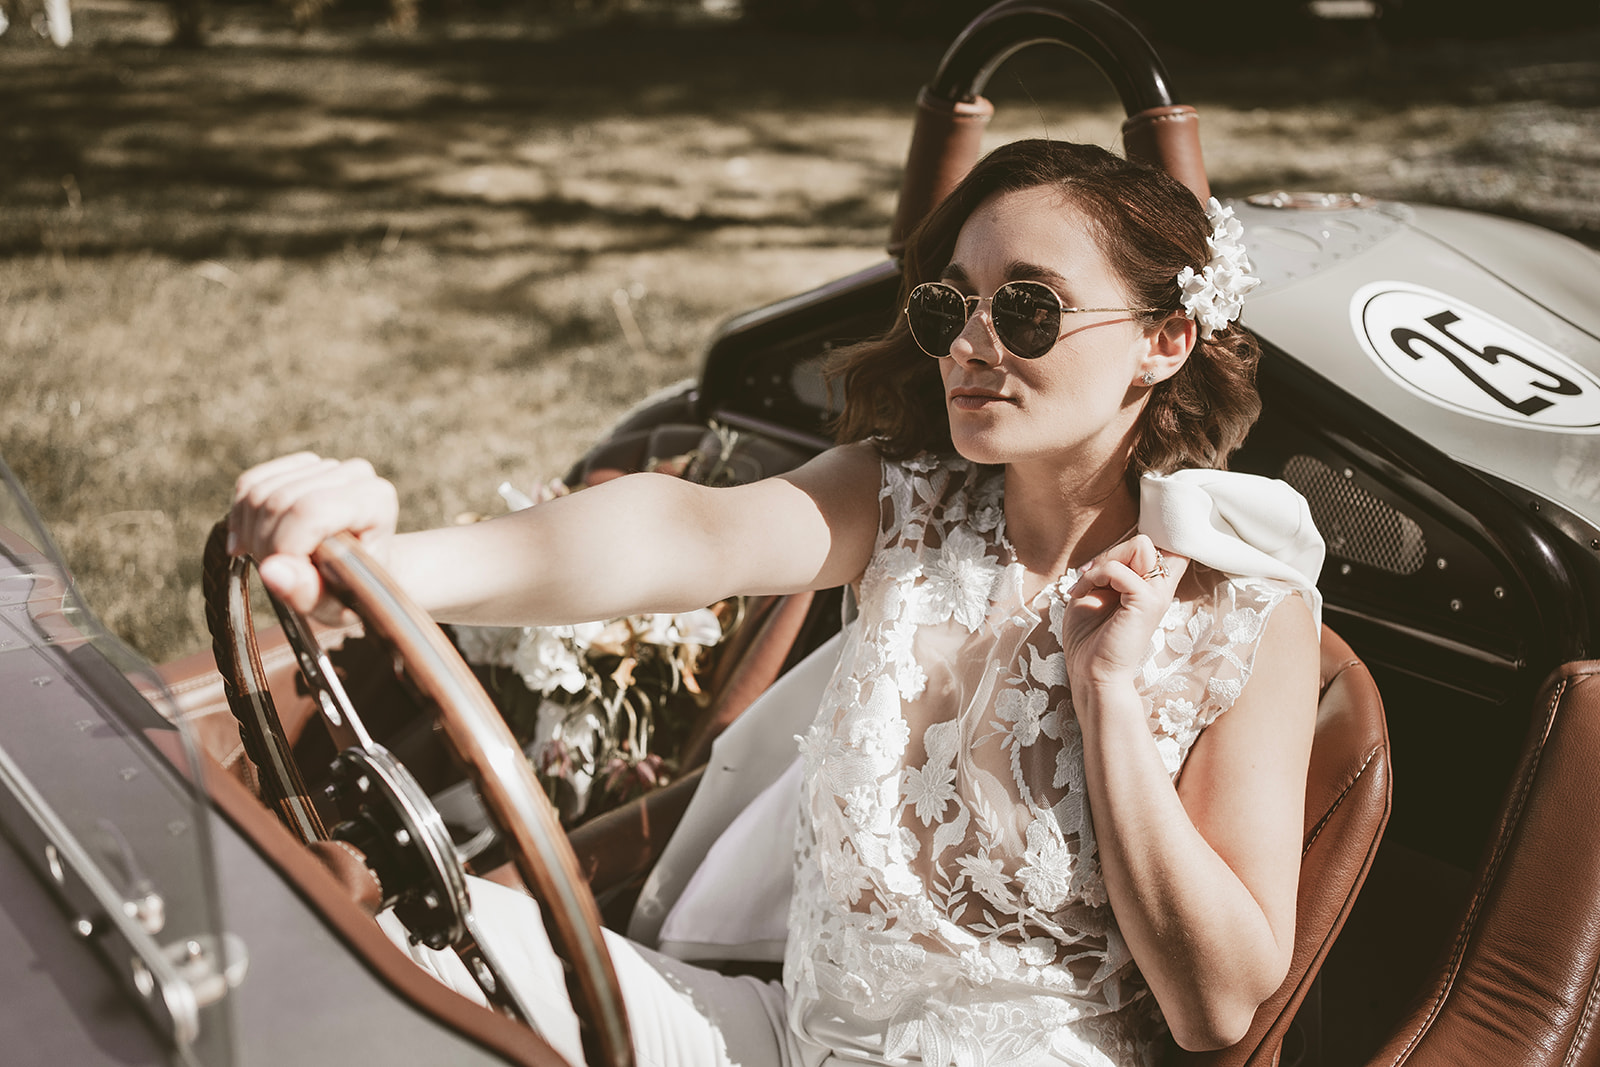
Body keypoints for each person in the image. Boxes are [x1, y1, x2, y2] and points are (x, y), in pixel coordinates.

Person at [229, 139, 1322, 1067]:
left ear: (1162, 339)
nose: (971, 343)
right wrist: (382, 567)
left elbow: (1216, 1000)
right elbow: (683, 532)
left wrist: (1109, 695)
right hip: (781, 1038)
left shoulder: (1244, 607)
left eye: (1028, 307)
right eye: (949, 304)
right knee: (392, 933)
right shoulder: (905, 501)